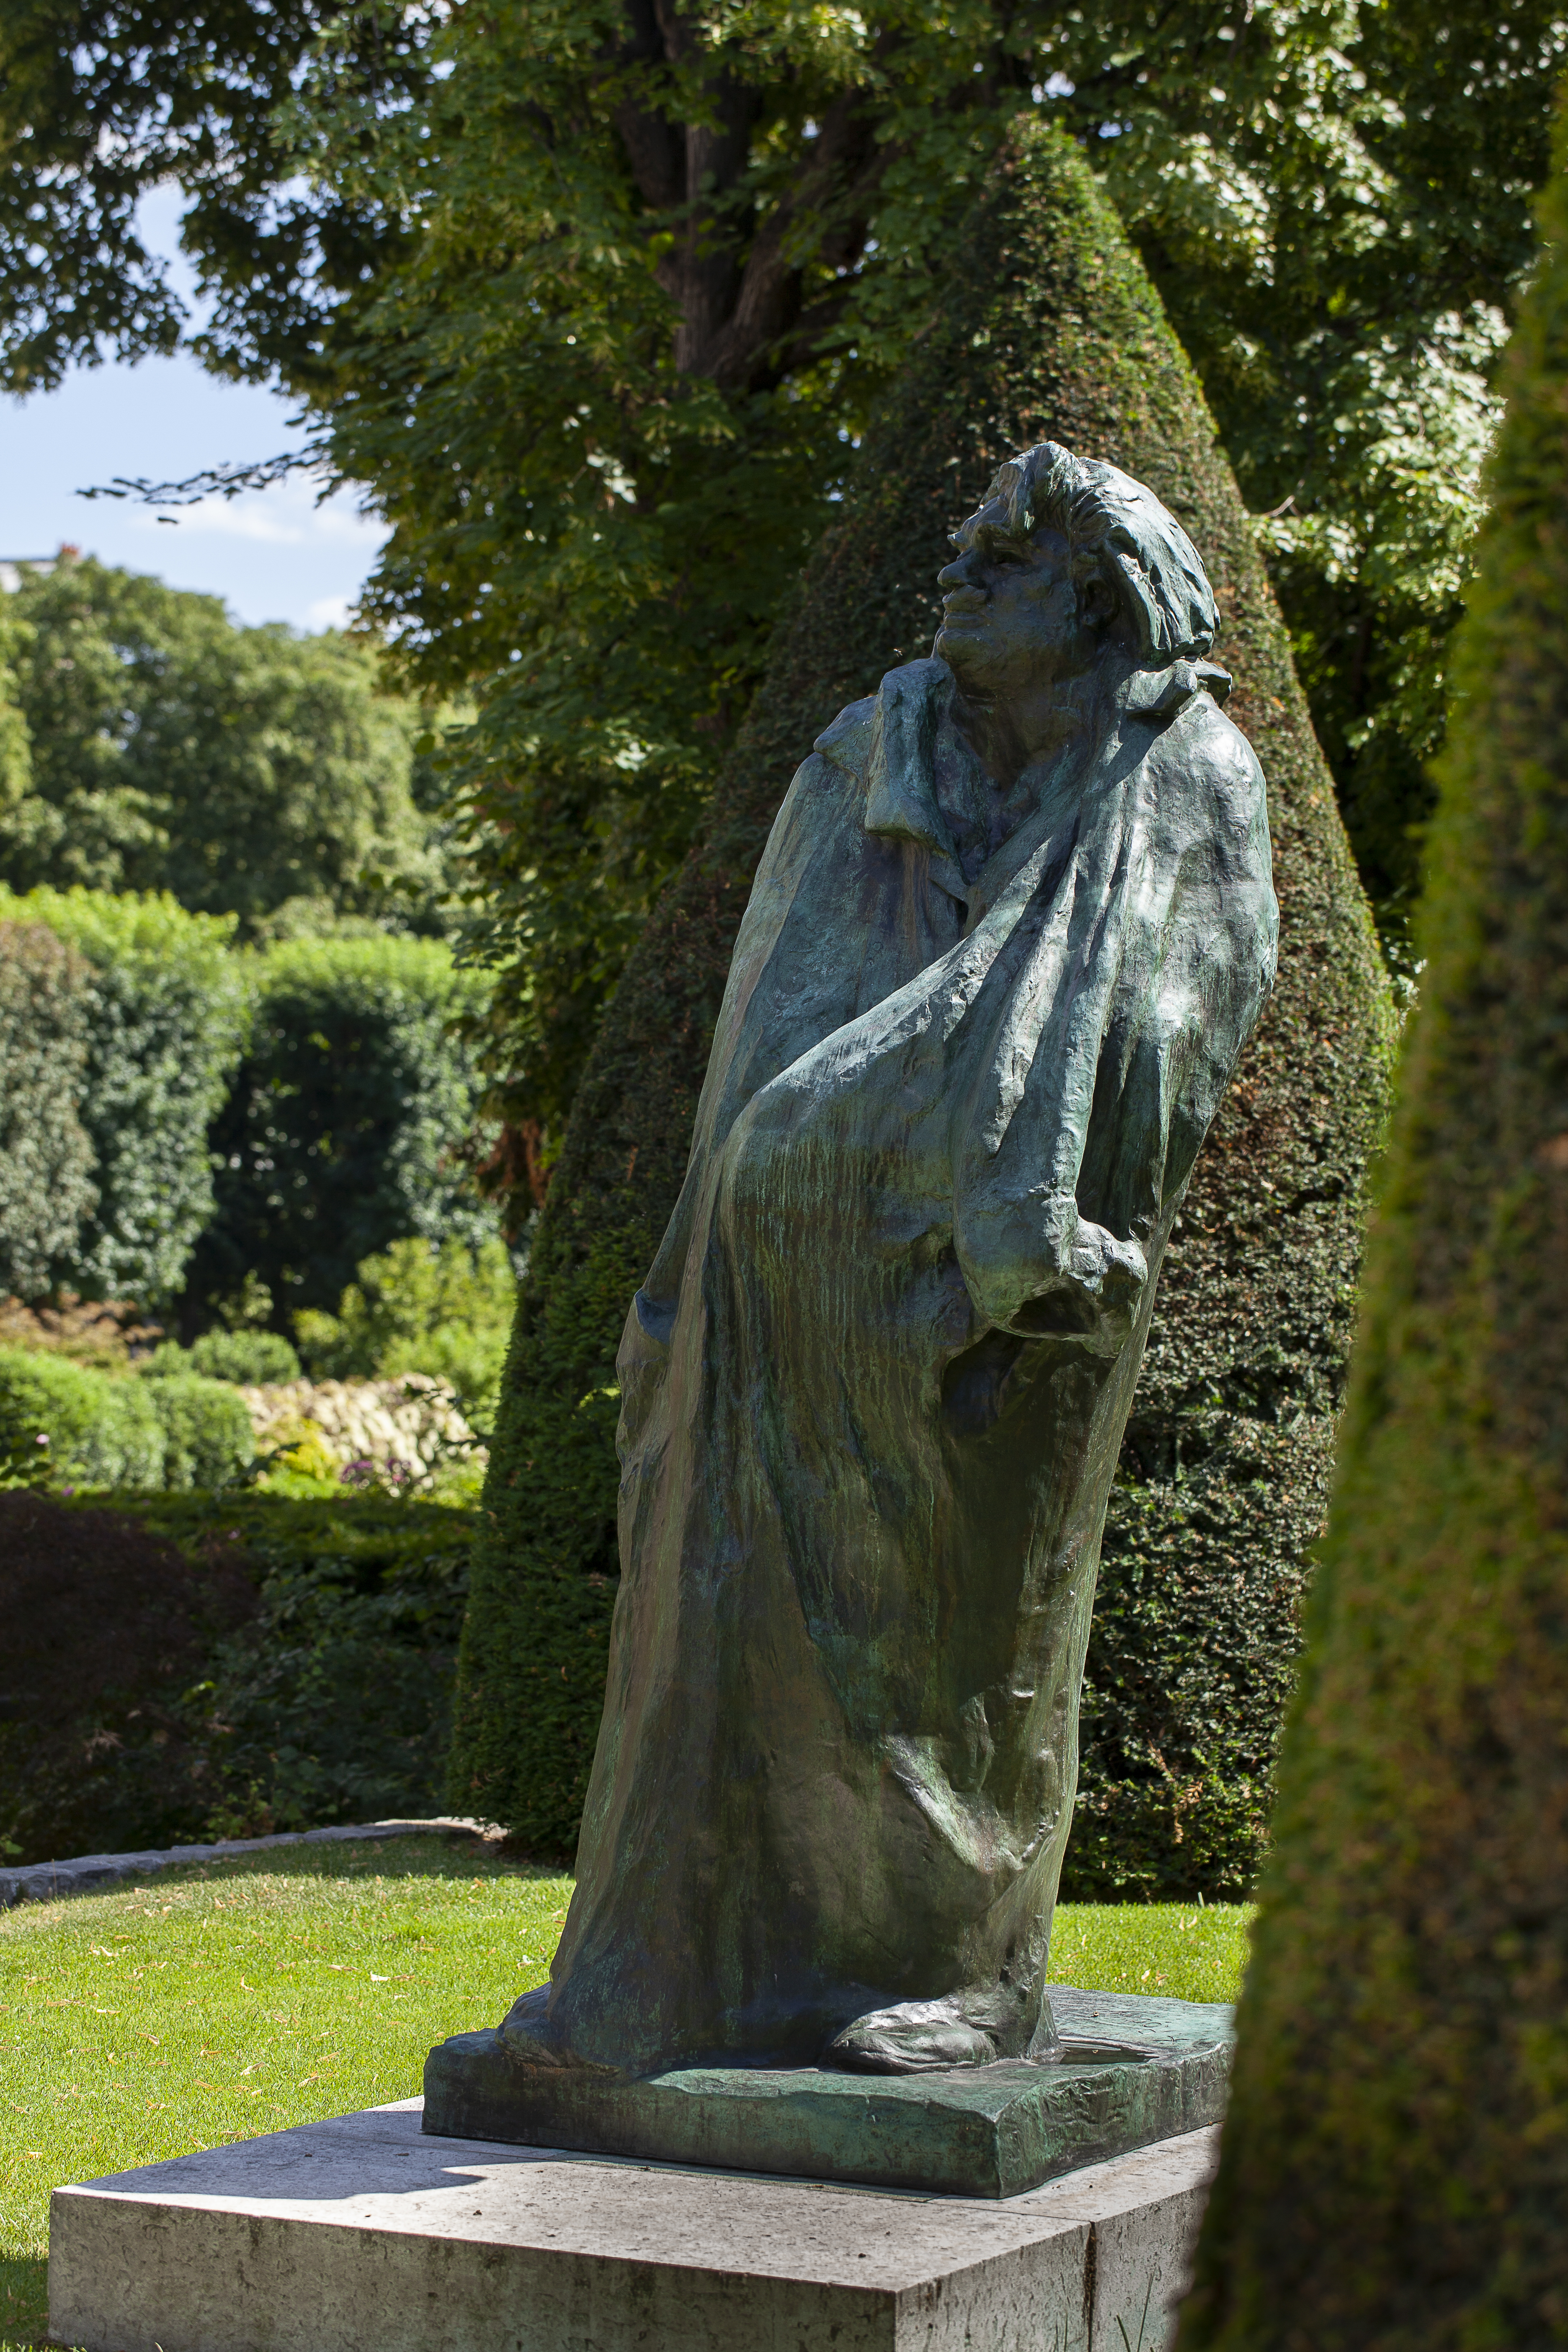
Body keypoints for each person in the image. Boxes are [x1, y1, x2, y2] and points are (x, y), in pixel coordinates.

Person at [505, 442, 1279, 2078]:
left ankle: (964, 1971)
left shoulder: (1183, 776)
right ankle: (662, 1985)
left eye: (1001, 565)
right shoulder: (871, 758)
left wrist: (974, 1163)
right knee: (714, 1637)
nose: (958, 581)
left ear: (1095, 606)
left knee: (967, 1654)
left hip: (1001, 1318)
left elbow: (1168, 1025)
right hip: (773, 1320)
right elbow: (765, 1036)